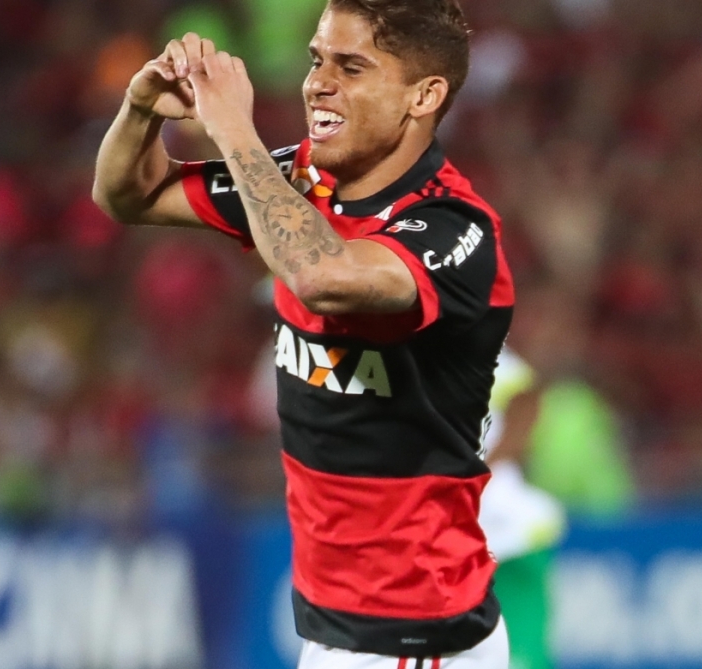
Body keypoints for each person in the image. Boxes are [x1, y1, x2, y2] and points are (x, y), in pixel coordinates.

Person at [93, 0, 513, 668]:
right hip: (340, 629)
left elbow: (322, 274)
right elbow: (128, 195)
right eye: (318, 60)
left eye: (352, 67)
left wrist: (233, 128)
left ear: (424, 95)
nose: (318, 83)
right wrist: (142, 109)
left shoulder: (453, 227)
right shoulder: (300, 183)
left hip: (415, 631)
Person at [479, 347, 565, 669]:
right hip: (440, 523)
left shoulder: (469, 339)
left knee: (518, 654)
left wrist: (490, 461)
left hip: (503, 528)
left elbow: (527, 395)